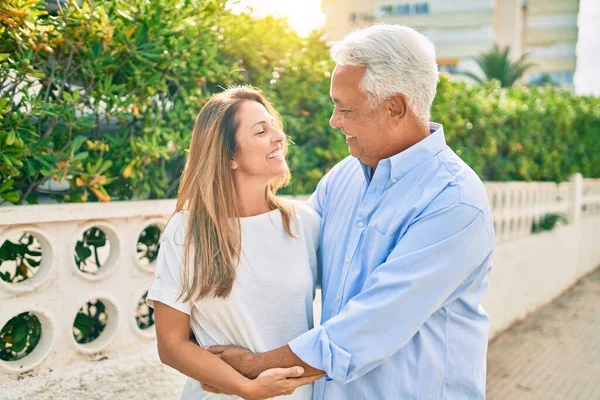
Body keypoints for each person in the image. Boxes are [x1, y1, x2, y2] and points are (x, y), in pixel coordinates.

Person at [203, 24, 496, 399]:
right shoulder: (342, 178)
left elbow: (373, 325)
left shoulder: (454, 201)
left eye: (345, 108)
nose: (334, 121)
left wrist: (254, 367)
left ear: (395, 107)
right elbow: (287, 264)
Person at [146, 86, 323, 399]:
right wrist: (249, 389)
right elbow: (172, 345)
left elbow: (350, 318)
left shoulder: (304, 224)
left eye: (274, 126)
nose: (278, 136)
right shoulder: (187, 231)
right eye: (261, 131)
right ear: (228, 155)